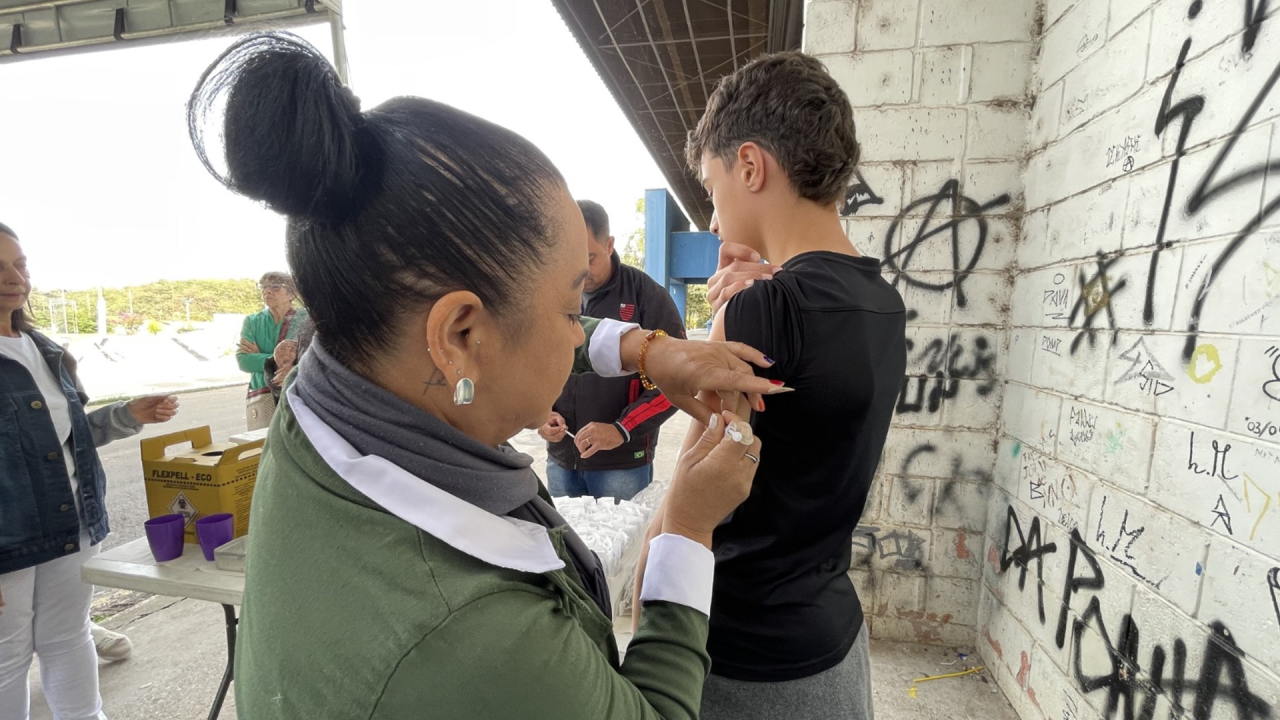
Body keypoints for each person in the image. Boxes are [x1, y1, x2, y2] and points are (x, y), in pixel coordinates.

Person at [187, 33, 792, 719]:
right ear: (459, 339)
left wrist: (651, 352)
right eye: (570, 308)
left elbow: (525, 323)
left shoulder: (326, 392)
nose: (577, 330)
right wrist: (685, 525)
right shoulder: (473, 638)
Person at [634, 52, 908, 720]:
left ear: (751, 166)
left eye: (712, 185)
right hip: (833, 638)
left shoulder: (761, 308)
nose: (712, 214)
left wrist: (647, 581)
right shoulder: (883, 302)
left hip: (745, 656)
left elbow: (694, 486)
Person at [0, 222, 180, 720]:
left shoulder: (47, 351)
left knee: (68, 636)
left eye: (20, 264)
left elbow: (69, 438)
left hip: (72, 521)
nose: (14, 278)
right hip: (7, 539)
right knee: (6, 658)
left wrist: (128, 415)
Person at [539, 200, 685, 502]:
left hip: (621, 465)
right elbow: (531, 361)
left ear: (609, 245)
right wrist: (539, 413)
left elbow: (677, 380)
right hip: (561, 460)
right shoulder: (551, 294)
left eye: (589, 258)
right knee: (563, 547)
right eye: (570, 259)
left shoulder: (647, 296)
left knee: (620, 549)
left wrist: (622, 429)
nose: (580, 271)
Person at [237, 271, 308, 430]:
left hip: (297, 392)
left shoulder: (306, 319)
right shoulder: (252, 321)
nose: (267, 291)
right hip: (262, 395)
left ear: (292, 293)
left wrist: (259, 356)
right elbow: (244, 361)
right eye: (263, 287)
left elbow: (311, 356)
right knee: (262, 446)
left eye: (275, 287)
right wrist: (284, 360)